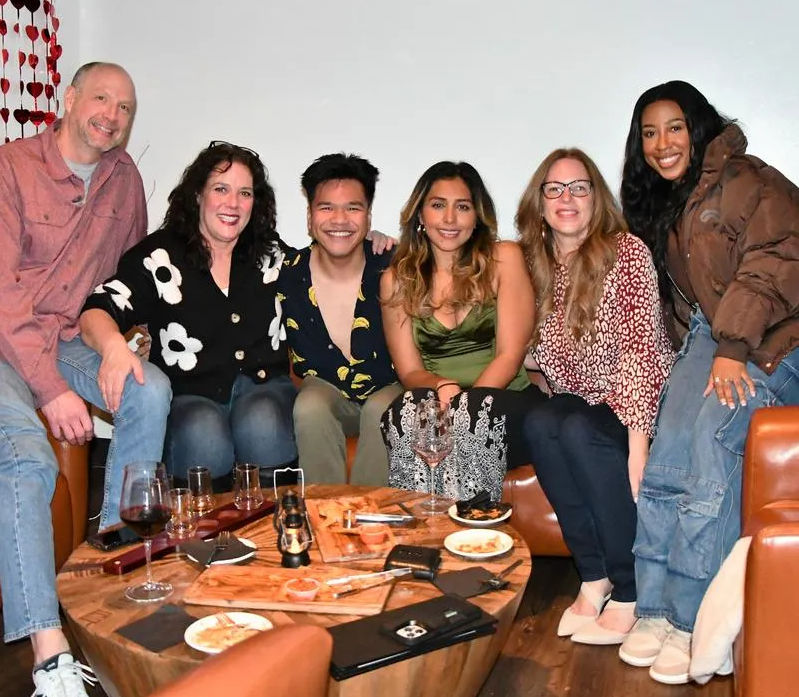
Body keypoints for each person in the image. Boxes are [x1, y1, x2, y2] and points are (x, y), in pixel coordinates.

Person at [619, 80, 799, 685]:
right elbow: (680, 302)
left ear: (698, 128)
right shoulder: (673, 202)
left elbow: (775, 261)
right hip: (712, 334)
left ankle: (695, 618)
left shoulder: (750, 180)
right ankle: (656, 610)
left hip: (777, 339)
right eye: (649, 132)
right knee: (668, 450)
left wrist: (732, 348)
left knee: (708, 445)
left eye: (674, 127)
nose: (662, 143)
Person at [0, 62, 171, 696]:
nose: (111, 113)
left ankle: (109, 565)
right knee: (26, 458)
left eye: (125, 107)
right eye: (100, 98)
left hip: (70, 338)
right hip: (4, 342)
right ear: (69, 99)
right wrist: (52, 390)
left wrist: (125, 348)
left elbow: (132, 276)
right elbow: (5, 301)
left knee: (148, 389)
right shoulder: (11, 168)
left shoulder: (123, 179)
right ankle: (50, 656)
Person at [517, 149, 673, 645]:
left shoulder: (625, 252)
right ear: (539, 202)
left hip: (635, 402)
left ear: (596, 197)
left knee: (581, 429)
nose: (567, 198)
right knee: (540, 423)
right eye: (555, 188)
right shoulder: (533, 263)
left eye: (579, 187)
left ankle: (630, 587)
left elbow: (640, 350)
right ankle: (593, 574)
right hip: (579, 400)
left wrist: (638, 445)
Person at [81, 142, 298, 489]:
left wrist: (368, 243)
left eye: (245, 193)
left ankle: (279, 533)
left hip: (264, 390)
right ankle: (205, 539)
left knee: (262, 420)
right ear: (198, 194)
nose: (233, 203)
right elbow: (98, 308)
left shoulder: (270, 254)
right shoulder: (160, 256)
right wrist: (113, 348)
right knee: (202, 431)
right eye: (221, 189)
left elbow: (329, 271)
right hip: (190, 397)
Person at [380, 161, 543, 503]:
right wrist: (440, 387)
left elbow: (510, 356)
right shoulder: (397, 279)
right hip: (440, 404)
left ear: (477, 216)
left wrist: (463, 410)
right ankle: (423, 532)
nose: (450, 219)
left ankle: (474, 531)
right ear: (421, 215)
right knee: (403, 413)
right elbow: (410, 371)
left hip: (506, 403)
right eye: (438, 205)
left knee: (472, 419)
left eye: (463, 207)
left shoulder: (504, 258)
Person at [279, 154, 401, 485]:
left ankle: (370, 520)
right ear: (309, 217)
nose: (339, 219)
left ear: (368, 215)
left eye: (353, 208)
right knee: (310, 405)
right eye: (326, 207)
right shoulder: (285, 275)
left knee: (382, 409)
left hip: (389, 388)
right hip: (325, 389)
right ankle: (325, 520)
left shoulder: (394, 266)